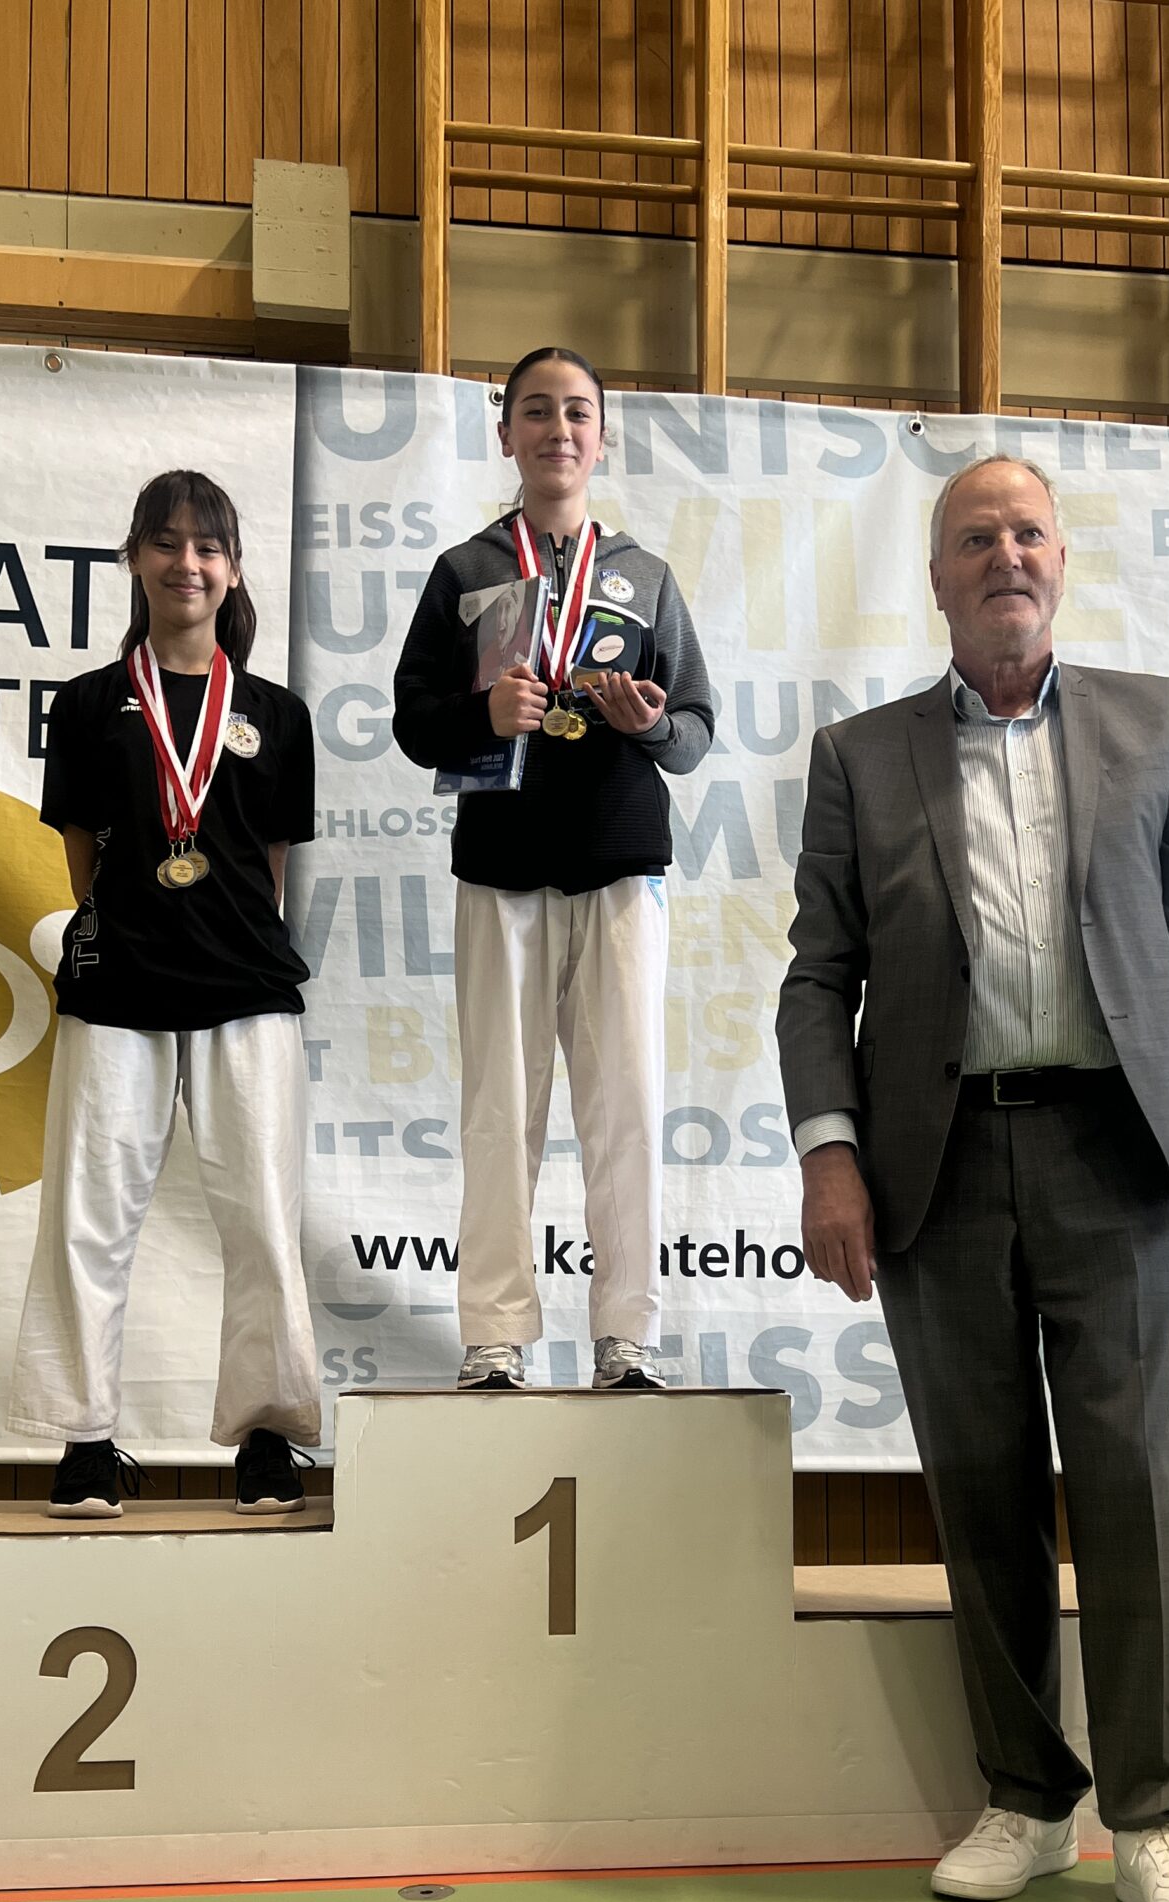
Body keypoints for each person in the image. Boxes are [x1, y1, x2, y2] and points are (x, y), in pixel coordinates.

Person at [777, 455, 1169, 1902]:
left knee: (1125, 1479)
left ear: (1062, 562)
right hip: (934, 1166)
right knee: (978, 1483)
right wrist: (829, 1153)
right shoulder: (862, 757)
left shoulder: (1156, 722)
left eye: (1029, 532)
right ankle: (1026, 1797)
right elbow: (819, 977)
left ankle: (1161, 1821)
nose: (1007, 554)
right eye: (976, 537)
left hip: (1112, 1153)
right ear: (936, 577)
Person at [391, 346, 714, 1392]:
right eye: (536, 411)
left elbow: (696, 729)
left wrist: (650, 723)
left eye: (577, 413)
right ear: (506, 435)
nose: (558, 429)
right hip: (502, 871)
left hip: (621, 867)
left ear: (602, 438)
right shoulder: (465, 571)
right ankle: (494, 1337)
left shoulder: (645, 576)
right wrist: (480, 714)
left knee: (627, 1108)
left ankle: (627, 1336)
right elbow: (412, 719)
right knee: (500, 1109)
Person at [9, 468, 320, 1516]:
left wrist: (221, 929)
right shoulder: (87, 705)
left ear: (232, 570)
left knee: (262, 1220)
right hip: (121, 989)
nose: (188, 563)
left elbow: (270, 867)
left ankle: (268, 1439)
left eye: (208, 546)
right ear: (135, 558)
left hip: (248, 989)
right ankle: (87, 1439)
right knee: (88, 1217)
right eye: (168, 542)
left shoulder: (278, 715)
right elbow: (82, 860)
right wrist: (139, 928)